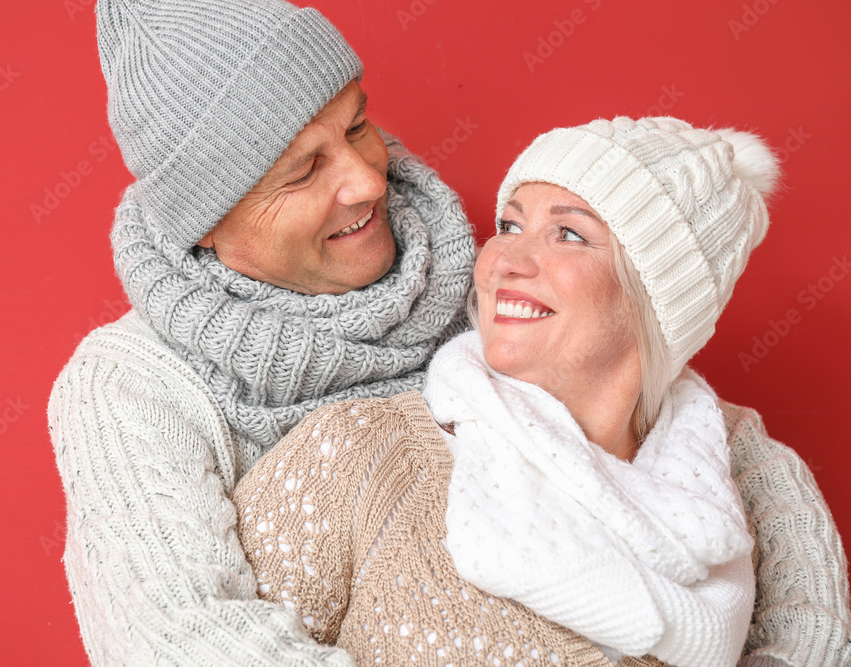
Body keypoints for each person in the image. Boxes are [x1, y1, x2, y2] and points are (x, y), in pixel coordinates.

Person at [46, 0, 848, 663]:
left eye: (357, 126)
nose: (366, 180)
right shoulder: (132, 386)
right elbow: (180, 639)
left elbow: (656, 411)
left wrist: (757, 485)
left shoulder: (484, 289)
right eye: (302, 171)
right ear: (208, 227)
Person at [231, 118, 851, 667]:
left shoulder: (745, 491)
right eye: (510, 224)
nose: (502, 260)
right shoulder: (360, 453)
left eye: (569, 235)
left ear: (658, 301)